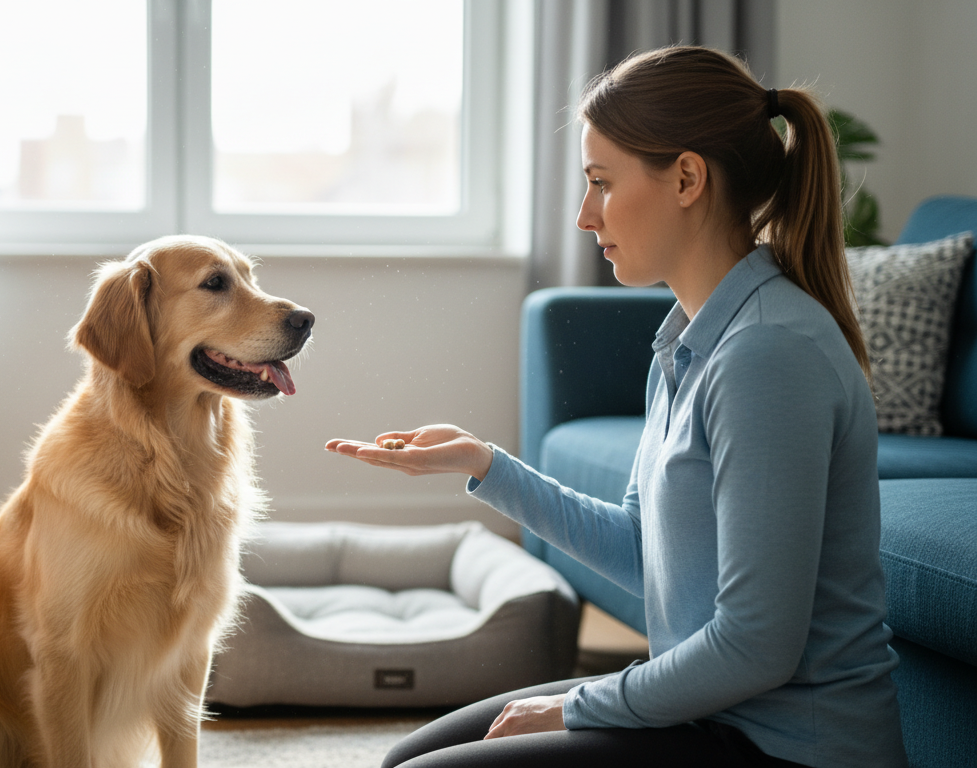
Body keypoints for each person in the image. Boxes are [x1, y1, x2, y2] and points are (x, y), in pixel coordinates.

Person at [325, 46, 907, 768]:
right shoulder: (689, 340)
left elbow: (757, 648)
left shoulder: (766, 354)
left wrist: (575, 705)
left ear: (687, 178)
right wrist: (484, 464)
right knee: (406, 759)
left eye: (601, 182)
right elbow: (646, 553)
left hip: (785, 748)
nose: (583, 215)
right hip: (715, 714)